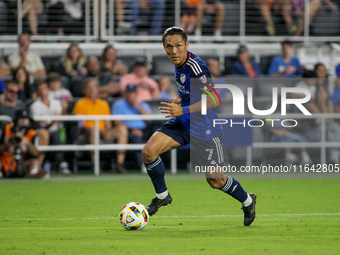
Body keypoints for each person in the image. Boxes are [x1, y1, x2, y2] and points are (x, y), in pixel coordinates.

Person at [142, 27, 256, 226]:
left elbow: (213, 99)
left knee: (216, 182)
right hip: (184, 124)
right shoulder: (179, 64)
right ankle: (163, 196)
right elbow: (193, 91)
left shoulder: (196, 67)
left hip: (205, 129)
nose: (174, 51)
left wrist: (182, 110)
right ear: (164, 47)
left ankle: (248, 200)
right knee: (149, 151)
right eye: (169, 47)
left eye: (178, 46)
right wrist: (181, 98)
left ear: (187, 45)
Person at [72, 77, 129, 173]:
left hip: (103, 132)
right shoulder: (80, 104)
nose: (91, 89)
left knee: (122, 129)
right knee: (93, 130)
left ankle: (120, 163)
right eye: (89, 87)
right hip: (88, 133)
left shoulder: (103, 104)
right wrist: (97, 130)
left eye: (94, 87)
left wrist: (107, 129)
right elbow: (80, 124)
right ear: (85, 90)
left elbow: (107, 122)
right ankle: (95, 164)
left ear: (97, 89)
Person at [30, 80, 71, 175]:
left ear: (48, 90)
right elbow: (40, 124)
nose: (42, 91)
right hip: (43, 132)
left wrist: (64, 110)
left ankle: (62, 164)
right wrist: (53, 120)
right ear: (37, 92)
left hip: (58, 130)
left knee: (58, 133)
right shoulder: (35, 106)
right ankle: (59, 163)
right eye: (39, 89)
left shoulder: (56, 103)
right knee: (50, 134)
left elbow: (62, 119)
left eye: (44, 88)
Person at [112, 83, 152, 170]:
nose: (130, 95)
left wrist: (137, 106)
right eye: (128, 92)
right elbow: (116, 122)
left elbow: (150, 119)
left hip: (144, 130)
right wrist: (132, 129)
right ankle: (143, 165)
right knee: (135, 136)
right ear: (125, 93)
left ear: (136, 94)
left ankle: (154, 163)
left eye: (132, 92)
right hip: (128, 131)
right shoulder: (118, 104)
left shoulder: (143, 105)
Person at [0, 109, 48, 179]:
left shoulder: (31, 133)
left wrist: (27, 143)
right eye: (21, 119)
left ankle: (33, 173)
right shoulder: (7, 129)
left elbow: (35, 153)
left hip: (21, 164)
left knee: (34, 161)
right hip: (5, 162)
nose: (24, 121)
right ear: (16, 120)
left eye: (26, 119)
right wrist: (6, 144)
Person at [307, 85, 340, 164]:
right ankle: (335, 161)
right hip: (315, 132)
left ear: (327, 93)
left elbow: (330, 119)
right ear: (316, 93)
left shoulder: (330, 103)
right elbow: (326, 120)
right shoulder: (312, 105)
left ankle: (334, 161)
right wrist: (323, 104)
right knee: (333, 128)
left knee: (331, 135)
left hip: (327, 132)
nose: (321, 94)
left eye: (323, 91)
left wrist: (326, 104)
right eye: (319, 92)